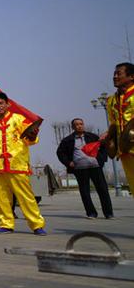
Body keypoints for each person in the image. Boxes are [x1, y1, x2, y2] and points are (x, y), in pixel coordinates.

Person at [0, 92, 46, 235]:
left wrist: (33, 135)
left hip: (18, 164)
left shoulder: (19, 119)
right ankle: (6, 224)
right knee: (2, 199)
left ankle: (36, 225)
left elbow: (30, 139)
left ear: (7, 104)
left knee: (26, 197)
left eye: (1, 103)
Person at [56, 118, 113, 219]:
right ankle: (91, 213)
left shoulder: (93, 137)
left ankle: (108, 213)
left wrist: (101, 160)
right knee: (85, 192)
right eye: (77, 124)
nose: (79, 126)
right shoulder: (67, 140)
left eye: (81, 124)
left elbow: (103, 148)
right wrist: (68, 163)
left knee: (103, 190)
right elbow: (60, 153)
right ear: (73, 127)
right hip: (80, 169)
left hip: (95, 167)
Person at [106, 62, 134, 192]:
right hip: (124, 149)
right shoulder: (111, 100)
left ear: (131, 76)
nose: (115, 77)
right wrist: (107, 138)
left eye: (119, 74)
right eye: (114, 74)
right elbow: (113, 123)